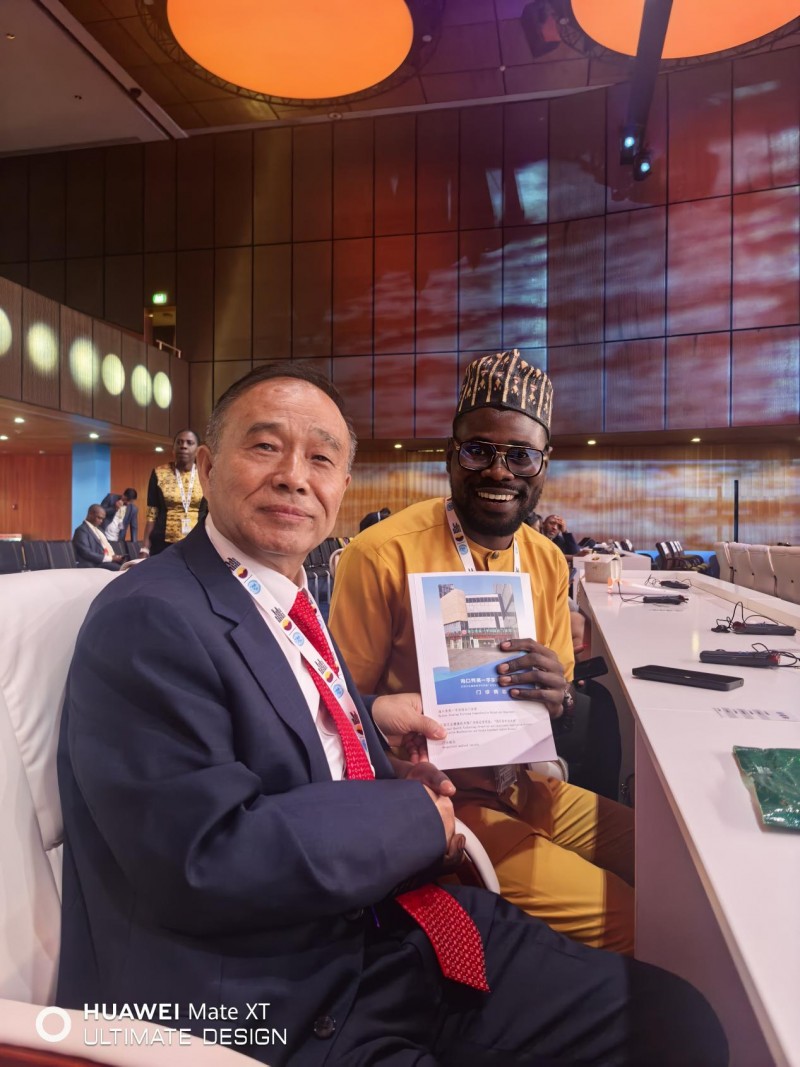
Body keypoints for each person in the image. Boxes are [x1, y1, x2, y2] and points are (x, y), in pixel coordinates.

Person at [57, 362, 726, 1067]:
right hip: (284, 993)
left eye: (321, 458)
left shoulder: (285, 598)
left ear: (343, 484)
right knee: (651, 936)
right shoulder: (151, 618)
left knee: (681, 1021)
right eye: (265, 446)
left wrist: (376, 727)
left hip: (395, 920)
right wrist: (412, 814)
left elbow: (302, 732)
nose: (294, 476)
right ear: (206, 465)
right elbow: (204, 856)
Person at [329, 350, 633, 953]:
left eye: (520, 455)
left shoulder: (547, 560)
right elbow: (338, 715)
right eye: (478, 450)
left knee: (677, 865)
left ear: (543, 464)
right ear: (450, 455)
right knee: (641, 924)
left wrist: (561, 698)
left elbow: (558, 708)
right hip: (437, 798)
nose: (499, 471)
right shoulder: (381, 554)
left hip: (526, 786)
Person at [139, 429, 204, 557]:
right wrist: (145, 548)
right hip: (163, 544)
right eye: (179, 442)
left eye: (189, 443)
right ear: (173, 449)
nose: (183, 446)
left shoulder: (205, 474)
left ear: (198, 450)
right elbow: (152, 513)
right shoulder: (159, 473)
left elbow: (212, 514)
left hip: (198, 542)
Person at [72, 504, 125, 570]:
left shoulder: (100, 530)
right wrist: (111, 558)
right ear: (90, 514)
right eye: (99, 518)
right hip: (94, 564)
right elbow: (86, 553)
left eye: (102, 519)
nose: (101, 521)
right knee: (123, 570)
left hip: (106, 562)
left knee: (129, 567)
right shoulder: (81, 530)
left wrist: (115, 557)